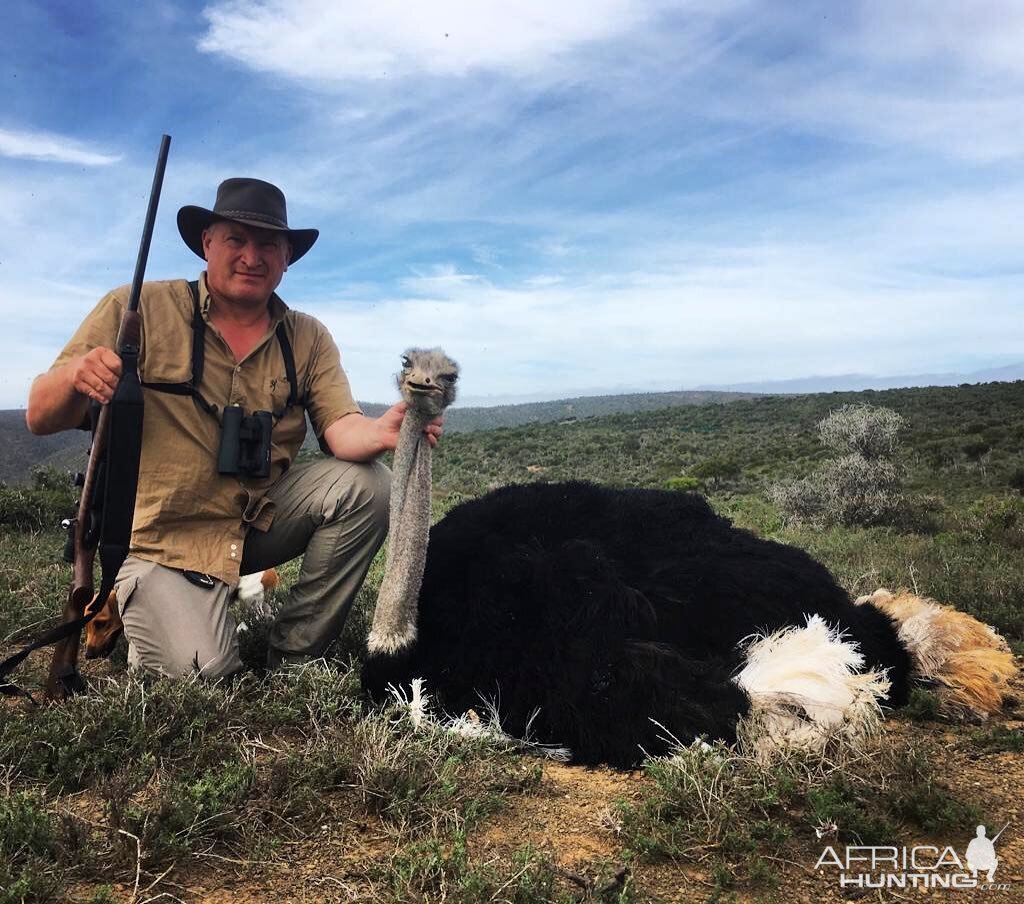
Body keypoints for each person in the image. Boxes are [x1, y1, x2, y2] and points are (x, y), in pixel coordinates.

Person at [25, 177, 442, 677]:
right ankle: (147, 604)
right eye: (235, 240)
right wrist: (77, 375)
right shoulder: (137, 308)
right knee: (199, 674)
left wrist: (381, 432)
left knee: (370, 485)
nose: (252, 256)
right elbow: (39, 416)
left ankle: (296, 658)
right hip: (164, 538)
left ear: (287, 256)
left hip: (253, 522)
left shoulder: (307, 337)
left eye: (269, 244)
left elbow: (341, 429)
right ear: (207, 243)